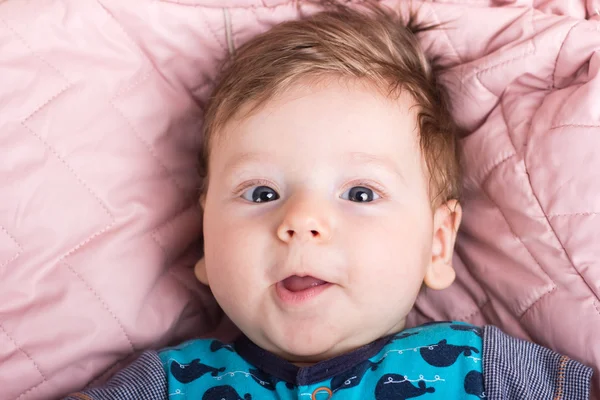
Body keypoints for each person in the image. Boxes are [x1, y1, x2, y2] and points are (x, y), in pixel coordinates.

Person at [65, 2, 592, 399]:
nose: (301, 222)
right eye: (262, 193)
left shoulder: (484, 368)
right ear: (206, 235)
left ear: (436, 244)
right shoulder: (167, 383)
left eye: (360, 193)